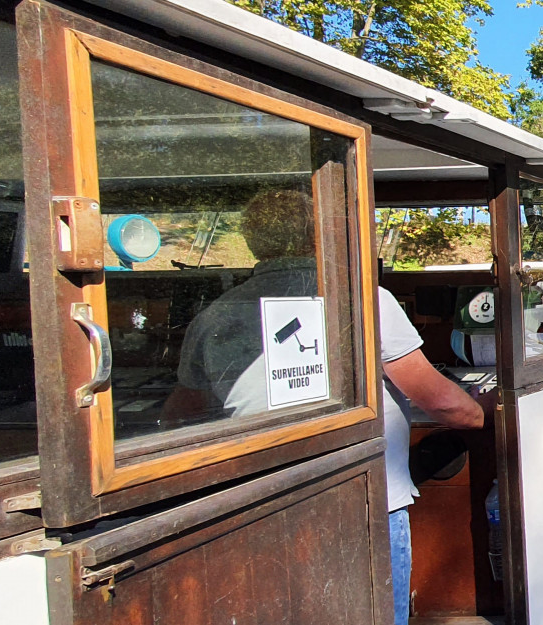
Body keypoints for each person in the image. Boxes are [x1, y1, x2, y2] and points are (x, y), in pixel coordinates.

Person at [165, 189, 489, 625]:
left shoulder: (216, 315)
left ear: (253, 241)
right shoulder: (364, 299)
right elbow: (446, 405)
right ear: (323, 235)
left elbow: (178, 417)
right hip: (363, 502)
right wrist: (484, 410)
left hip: (262, 502)